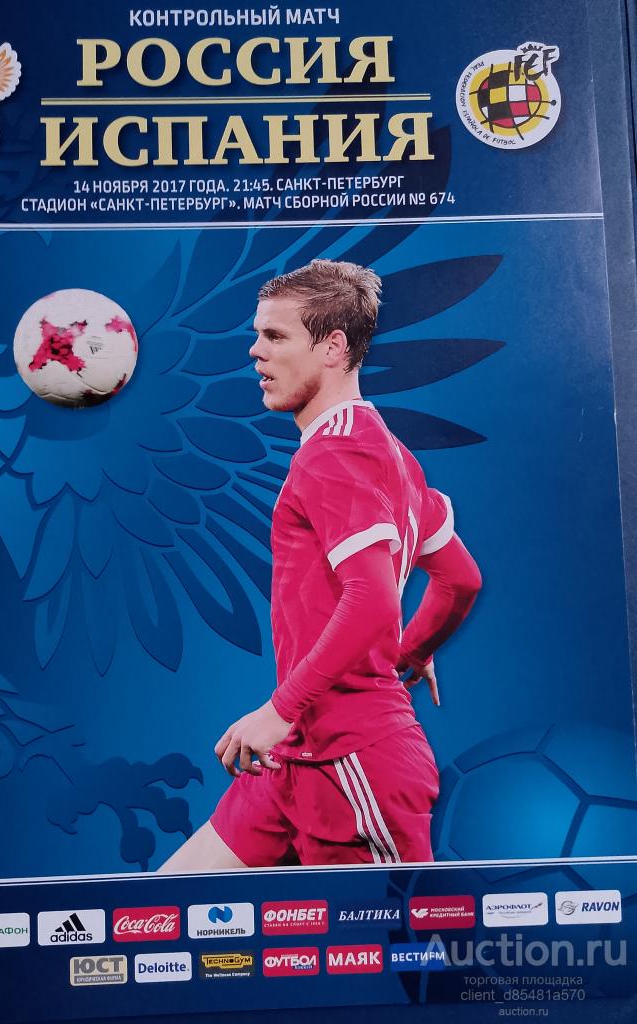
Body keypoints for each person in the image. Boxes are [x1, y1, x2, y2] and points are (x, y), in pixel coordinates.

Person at [159, 259, 481, 871]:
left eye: (275, 336)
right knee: (163, 910)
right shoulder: (391, 455)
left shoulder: (334, 455)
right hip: (292, 759)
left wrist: (278, 711)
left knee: (391, 933)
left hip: (352, 762)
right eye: (257, 335)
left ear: (333, 347)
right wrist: (412, 651)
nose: (255, 351)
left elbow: (374, 601)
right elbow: (460, 580)